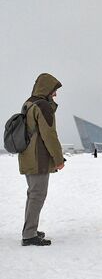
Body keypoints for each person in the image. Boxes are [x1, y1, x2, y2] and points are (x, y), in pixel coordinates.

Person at [17, 73, 65, 246]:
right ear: (47, 89)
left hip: (27, 157)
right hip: (39, 160)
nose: (55, 94)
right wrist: (59, 159)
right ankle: (29, 235)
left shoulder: (28, 103)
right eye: (54, 90)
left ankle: (30, 229)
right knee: (37, 196)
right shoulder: (43, 106)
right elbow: (49, 135)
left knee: (33, 195)